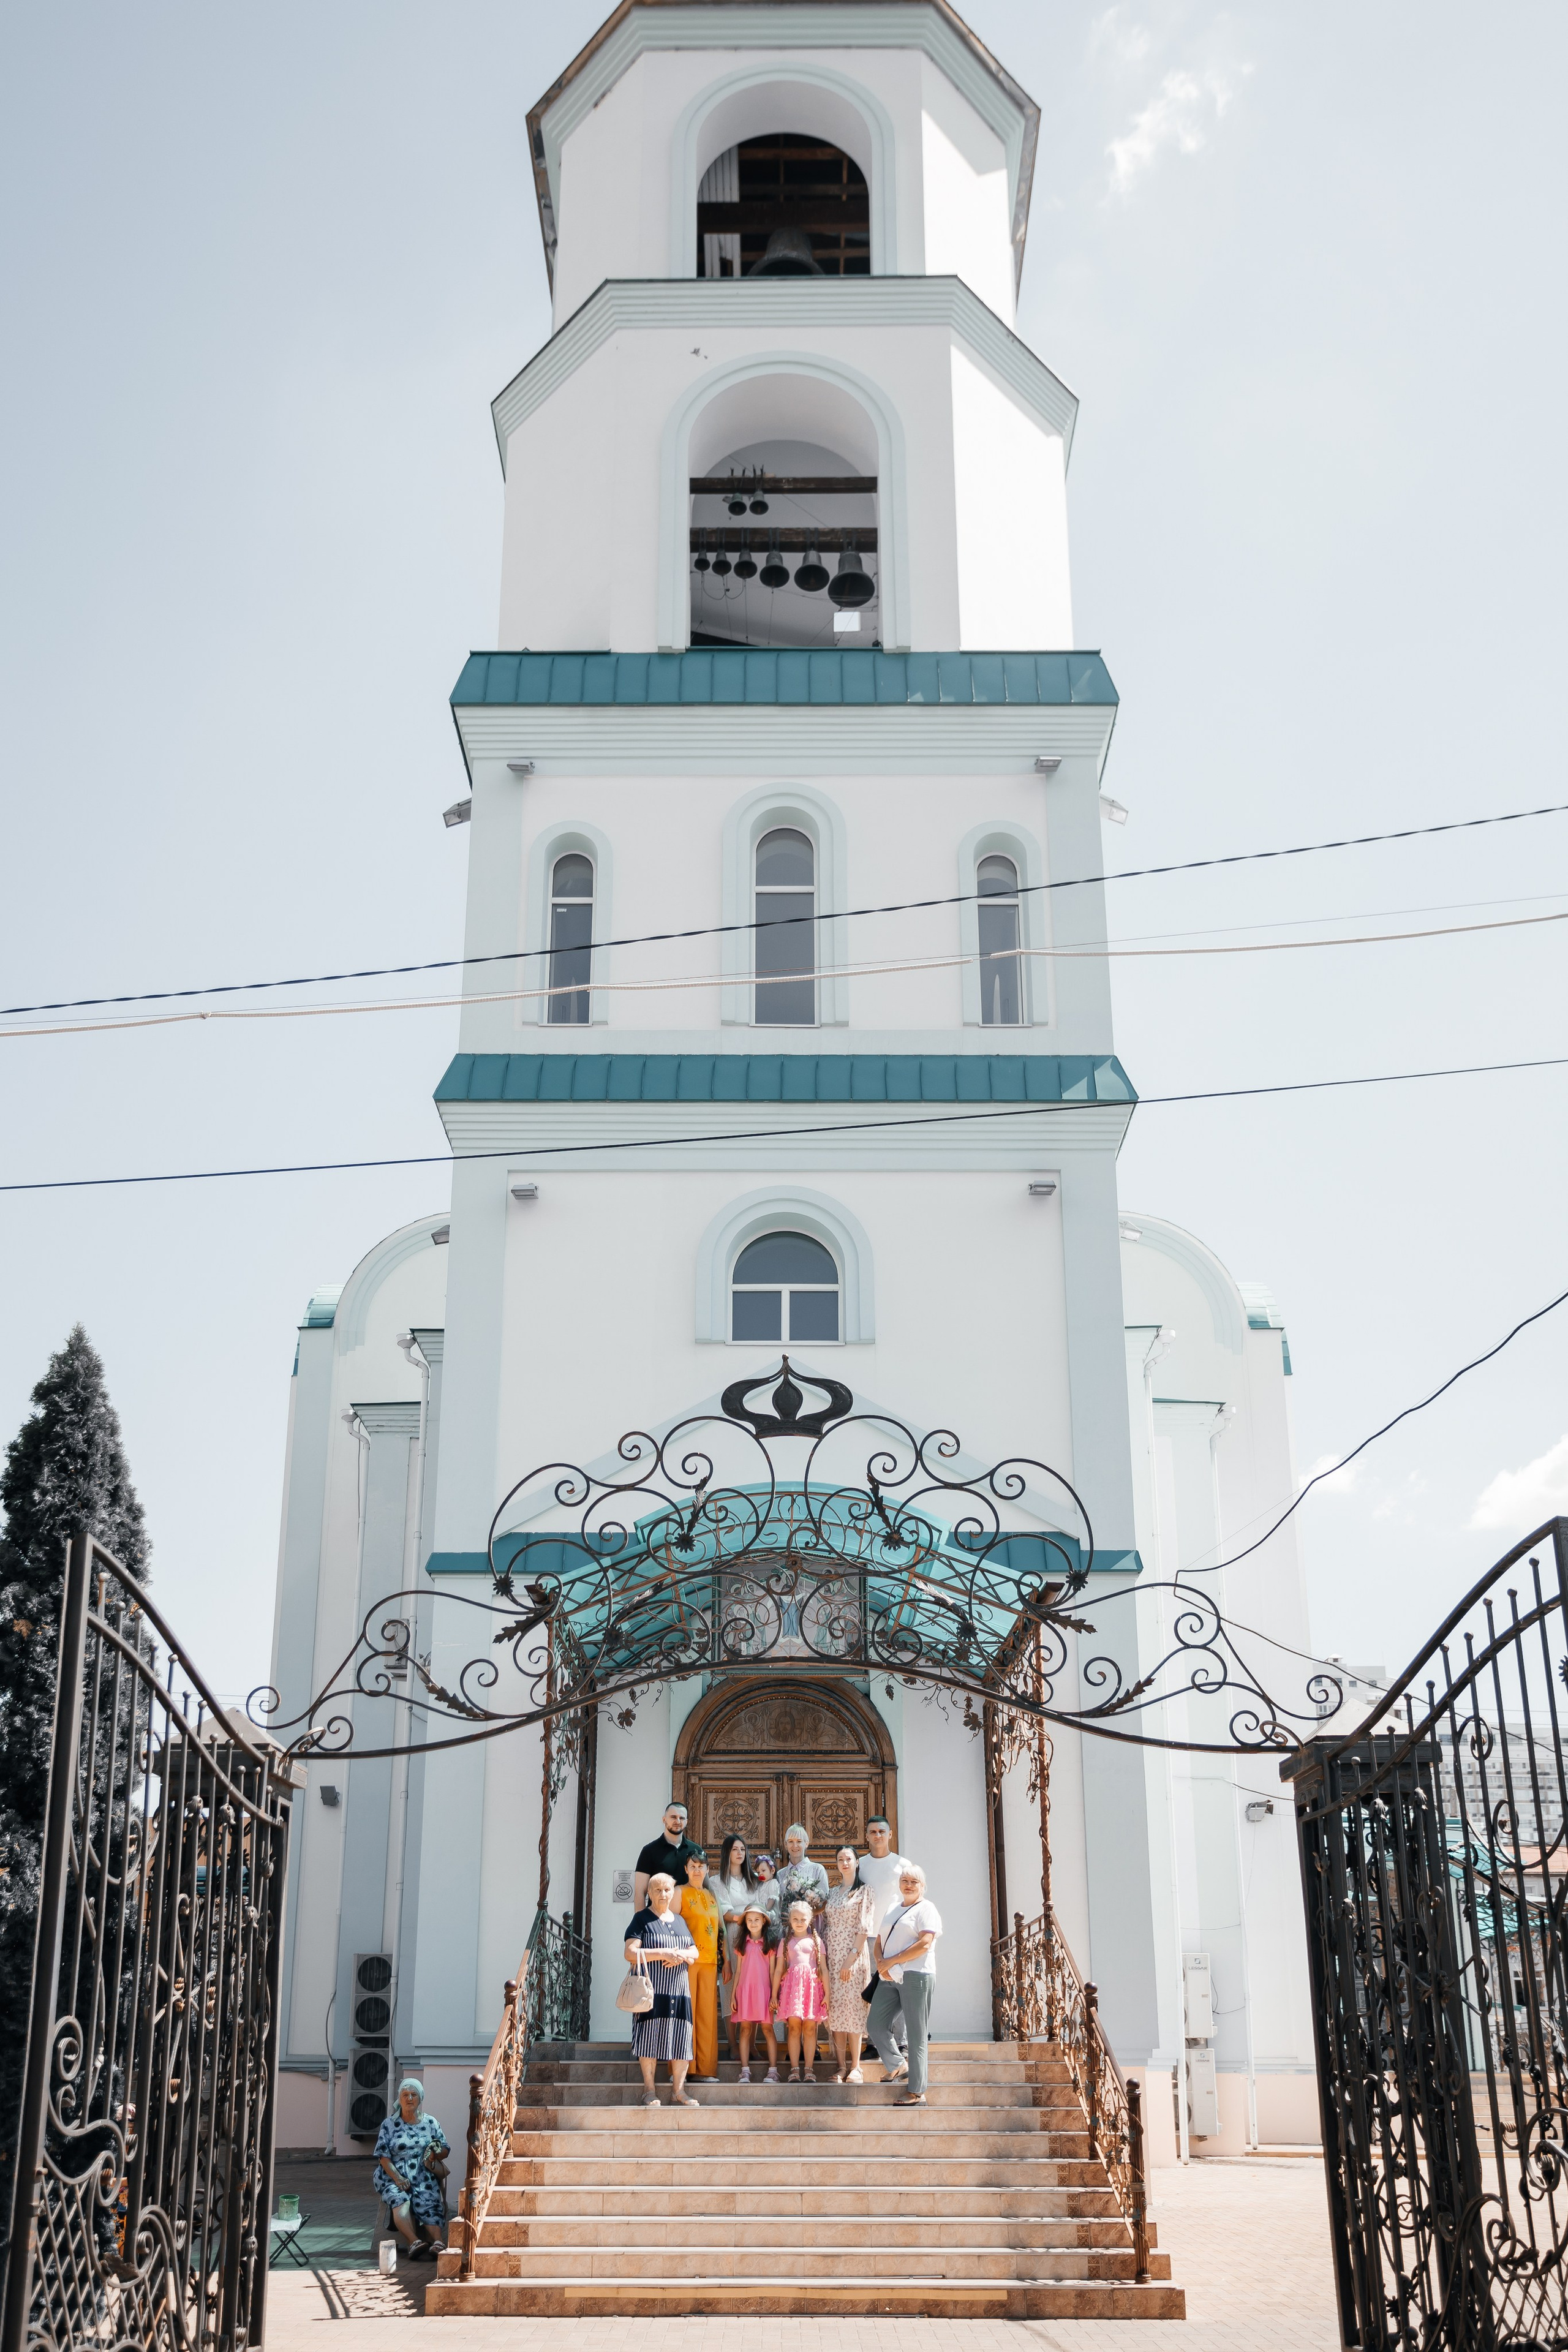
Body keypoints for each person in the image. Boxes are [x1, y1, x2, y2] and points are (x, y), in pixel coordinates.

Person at [623, 1871, 701, 2106]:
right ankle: (649, 2091)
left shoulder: (679, 1920)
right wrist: (662, 1953)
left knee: (681, 2038)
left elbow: (694, 1951)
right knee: (649, 2037)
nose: (663, 1894)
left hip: (679, 1992)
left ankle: (679, 2092)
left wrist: (681, 1955)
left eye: (667, 1890)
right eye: (658, 1890)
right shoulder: (642, 1919)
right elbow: (630, 1953)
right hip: (652, 1991)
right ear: (649, 1893)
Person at [867, 1864, 942, 2108]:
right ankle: (898, 2064)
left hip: (916, 1975)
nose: (909, 1885)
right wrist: (881, 1963)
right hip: (890, 1976)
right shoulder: (892, 1908)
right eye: (905, 1881)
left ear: (922, 1886)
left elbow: (925, 1943)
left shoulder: (927, 1908)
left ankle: (917, 2091)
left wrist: (892, 1961)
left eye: (914, 1882)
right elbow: (879, 1941)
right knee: (875, 2024)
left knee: (917, 2035)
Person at [372, 2079, 450, 2259]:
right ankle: (414, 2242)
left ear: (420, 2098)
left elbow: (445, 2149)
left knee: (429, 2199)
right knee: (400, 2199)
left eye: (414, 2095)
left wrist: (436, 2153)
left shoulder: (430, 2122)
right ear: (399, 2099)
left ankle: (438, 2242)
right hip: (392, 2174)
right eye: (405, 2095)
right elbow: (383, 2157)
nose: (409, 2099)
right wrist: (398, 2178)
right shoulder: (389, 2124)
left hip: (423, 2174)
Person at [855, 1815, 910, 2064]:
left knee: (897, 1987)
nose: (877, 1835)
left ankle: (901, 2041)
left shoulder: (902, 1865)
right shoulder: (860, 1865)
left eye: (881, 1831)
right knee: (871, 1989)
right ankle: (873, 2043)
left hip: (893, 1937)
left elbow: (911, 1899)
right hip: (866, 1936)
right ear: (866, 1835)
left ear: (890, 1834)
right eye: (873, 1832)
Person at [672, 1849, 726, 2079]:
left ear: (707, 1869)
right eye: (692, 1866)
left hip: (710, 1962)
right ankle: (681, 2070)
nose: (697, 1870)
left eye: (701, 1866)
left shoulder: (712, 1896)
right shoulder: (679, 1892)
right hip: (686, 1963)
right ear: (686, 1869)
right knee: (685, 2014)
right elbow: (670, 1926)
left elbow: (721, 1932)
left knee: (706, 2017)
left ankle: (705, 2069)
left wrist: (726, 1962)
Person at [822, 1843, 874, 2083]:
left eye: (849, 1859)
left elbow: (864, 1928)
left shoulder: (864, 1891)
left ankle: (856, 2067)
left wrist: (849, 1961)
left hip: (852, 1958)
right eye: (841, 1859)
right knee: (835, 2010)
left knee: (853, 2009)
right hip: (832, 1958)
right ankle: (841, 2066)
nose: (845, 1863)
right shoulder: (833, 1893)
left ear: (857, 1862)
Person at [772, 1898, 830, 2082]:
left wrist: (828, 1994)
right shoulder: (785, 1942)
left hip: (811, 1991)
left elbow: (824, 1969)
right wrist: (774, 1995)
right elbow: (778, 1970)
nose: (799, 1922)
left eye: (803, 1919)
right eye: (795, 1919)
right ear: (790, 1920)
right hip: (793, 1991)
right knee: (794, 2028)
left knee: (810, 2029)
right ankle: (795, 2069)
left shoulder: (816, 1941)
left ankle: (810, 2069)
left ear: (810, 1920)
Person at [729, 1904, 780, 2084]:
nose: (753, 1923)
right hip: (745, 1992)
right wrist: (733, 1995)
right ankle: (745, 2071)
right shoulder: (742, 1944)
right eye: (749, 1920)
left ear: (764, 1921)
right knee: (745, 2029)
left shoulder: (770, 1944)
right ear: (745, 1923)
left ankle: (773, 2071)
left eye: (757, 1919)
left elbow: (773, 1972)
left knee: (767, 2029)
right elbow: (738, 1971)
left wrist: (774, 1995)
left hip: (764, 1992)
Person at [714, 1832, 752, 2057]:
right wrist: (747, 1917)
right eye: (735, 1849)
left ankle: (752, 2044)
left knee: (754, 1986)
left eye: (743, 1849)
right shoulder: (717, 1881)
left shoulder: (753, 1879)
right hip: (731, 1937)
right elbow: (725, 1913)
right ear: (727, 1853)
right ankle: (732, 2043)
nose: (740, 1853)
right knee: (730, 1988)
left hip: (755, 1939)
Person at [633, 1801, 704, 1909]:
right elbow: (640, 1892)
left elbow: (706, 1887)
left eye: (682, 1818)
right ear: (664, 1819)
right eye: (673, 1817)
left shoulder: (696, 1850)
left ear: (686, 1822)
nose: (678, 1821)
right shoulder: (649, 1851)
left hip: (691, 1914)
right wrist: (640, 1918)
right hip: (658, 1915)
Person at [776, 1824, 829, 1918]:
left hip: (811, 1922)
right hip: (785, 1924)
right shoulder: (780, 1874)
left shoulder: (817, 1869)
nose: (795, 1846)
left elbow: (825, 1902)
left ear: (807, 1843)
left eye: (799, 1841)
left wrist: (802, 1917)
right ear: (785, 1845)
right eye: (791, 1842)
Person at [748, 1849, 782, 1932]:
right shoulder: (761, 1885)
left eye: (763, 1871)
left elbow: (771, 1900)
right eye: (758, 1872)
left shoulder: (773, 1883)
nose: (760, 1874)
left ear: (773, 1871)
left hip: (769, 1913)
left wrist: (765, 1912)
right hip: (760, 1914)